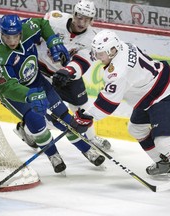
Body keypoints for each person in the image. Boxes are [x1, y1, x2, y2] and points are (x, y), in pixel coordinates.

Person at [0, 14, 106, 174]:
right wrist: (29, 95)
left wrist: (53, 41)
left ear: (20, 33)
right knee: (36, 121)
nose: (11, 41)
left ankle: (87, 150)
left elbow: (42, 23)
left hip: (37, 80)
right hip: (15, 94)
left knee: (64, 117)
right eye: (7, 37)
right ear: (1, 33)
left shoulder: (27, 28)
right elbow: (7, 87)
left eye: (15, 36)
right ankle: (53, 156)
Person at [73, 29, 170, 177]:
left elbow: (109, 102)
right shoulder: (124, 45)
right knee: (136, 129)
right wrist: (87, 115)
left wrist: (87, 116)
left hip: (166, 93)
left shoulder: (117, 71)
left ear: (112, 50)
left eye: (100, 53)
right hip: (150, 93)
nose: (96, 57)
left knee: (164, 143)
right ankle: (162, 163)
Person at [14, 0, 112, 152]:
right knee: (45, 112)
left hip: (67, 76)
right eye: (79, 17)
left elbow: (83, 61)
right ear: (74, 14)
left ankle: (92, 139)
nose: (82, 22)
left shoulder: (92, 38)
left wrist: (68, 72)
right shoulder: (54, 19)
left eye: (87, 19)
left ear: (92, 20)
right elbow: (31, 37)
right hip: (40, 73)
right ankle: (27, 129)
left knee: (83, 107)